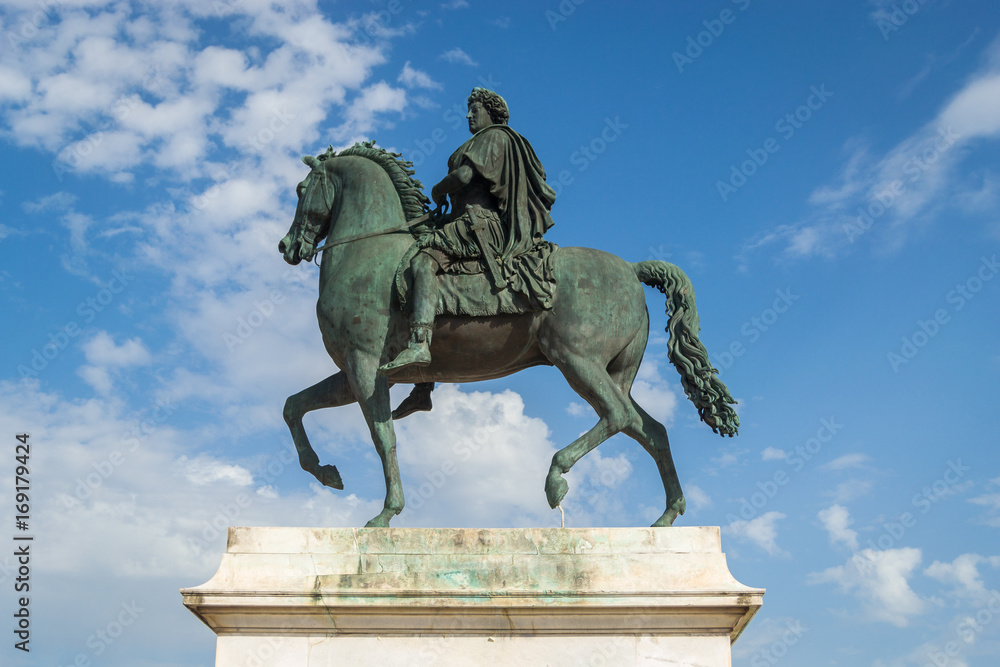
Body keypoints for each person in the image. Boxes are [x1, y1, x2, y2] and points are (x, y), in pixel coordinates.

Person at [380, 87, 558, 377]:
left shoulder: (494, 136)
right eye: (469, 110)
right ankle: (423, 386)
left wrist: (438, 189)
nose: (468, 115)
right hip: (465, 220)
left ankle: (420, 342)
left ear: (491, 113)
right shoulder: (486, 140)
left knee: (423, 261)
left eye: (475, 110)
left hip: (479, 224)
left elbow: (464, 176)